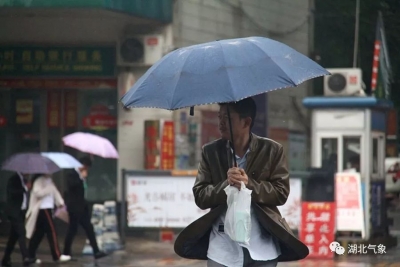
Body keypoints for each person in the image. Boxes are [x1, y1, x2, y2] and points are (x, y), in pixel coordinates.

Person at [174, 98, 309, 267]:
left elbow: (281, 193)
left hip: (262, 244)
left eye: (228, 119)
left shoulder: (272, 150)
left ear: (246, 122)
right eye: (219, 117)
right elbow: (200, 196)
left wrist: (249, 184)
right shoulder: (210, 152)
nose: (221, 123)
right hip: (223, 247)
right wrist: (225, 185)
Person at [63, 156, 107, 260]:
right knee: (72, 230)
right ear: (82, 166)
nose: (87, 170)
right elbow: (72, 186)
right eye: (86, 167)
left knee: (89, 228)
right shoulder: (72, 174)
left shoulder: (81, 175)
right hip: (74, 208)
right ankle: (66, 252)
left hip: (82, 207)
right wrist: (81, 178)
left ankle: (96, 251)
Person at [25, 173, 71, 263]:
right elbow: (37, 193)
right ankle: (57, 255)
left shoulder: (50, 181)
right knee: (52, 231)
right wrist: (48, 188)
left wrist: (60, 202)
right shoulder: (39, 180)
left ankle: (30, 255)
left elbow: (55, 192)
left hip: (49, 208)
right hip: (42, 208)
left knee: (39, 233)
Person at [1, 172, 35, 267]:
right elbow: (13, 192)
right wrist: (25, 188)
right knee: (21, 233)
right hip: (14, 212)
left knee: (13, 237)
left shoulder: (24, 180)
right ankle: (26, 257)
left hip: (21, 211)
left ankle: (5, 258)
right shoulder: (13, 179)